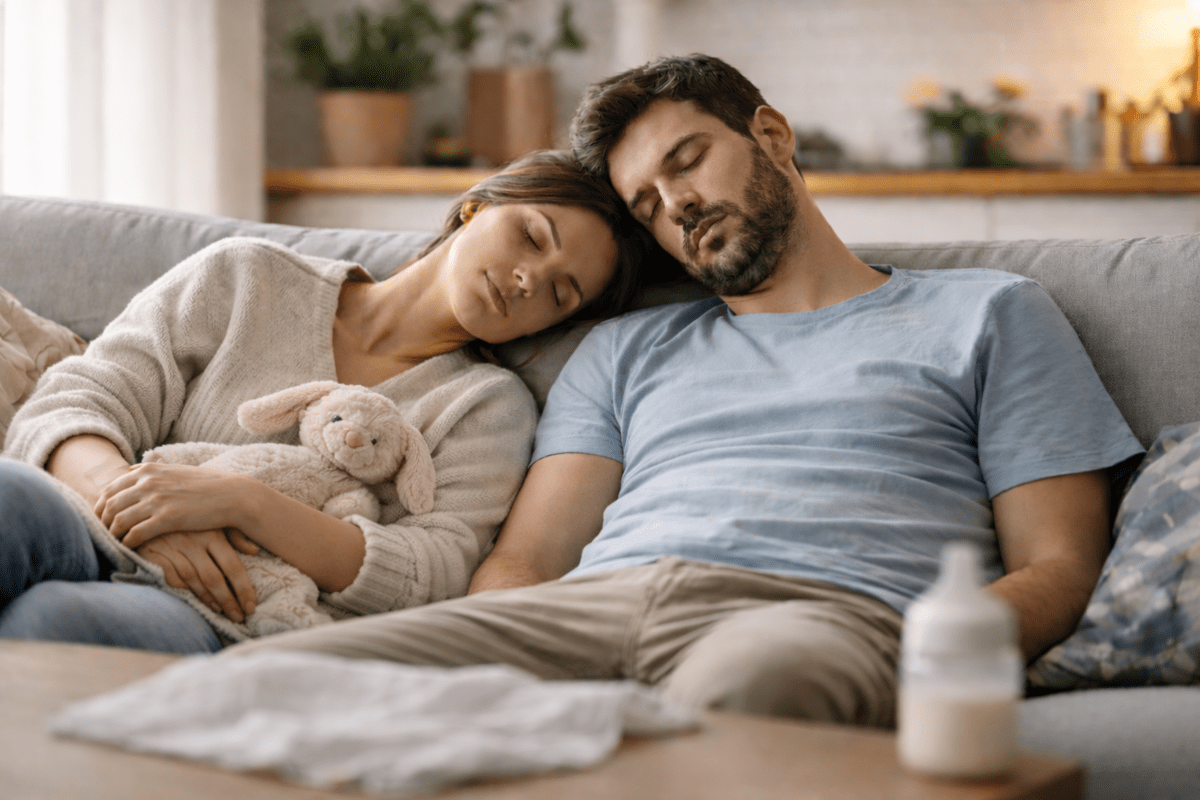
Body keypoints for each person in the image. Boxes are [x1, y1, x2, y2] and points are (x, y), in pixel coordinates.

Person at [227, 55, 1144, 728]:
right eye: (645, 205)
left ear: (771, 136)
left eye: (688, 161)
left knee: (744, 697)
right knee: (255, 690)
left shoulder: (991, 314)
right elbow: (529, 561)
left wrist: (929, 652)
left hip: (816, 616)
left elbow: (1059, 567)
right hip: (590, 609)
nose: (675, 206)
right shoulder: (625, 348)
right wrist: (482, 680)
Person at [0, 150, 650, 655]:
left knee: (50, 618)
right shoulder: (244, 277)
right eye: (532, 238)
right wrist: (143, 512)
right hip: (101, 523)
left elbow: (436, 572)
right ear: (477, 207)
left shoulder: (486, 407)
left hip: (224, 620)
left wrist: (245, 504)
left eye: (560, 294)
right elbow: (77, 397)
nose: (527, 279)